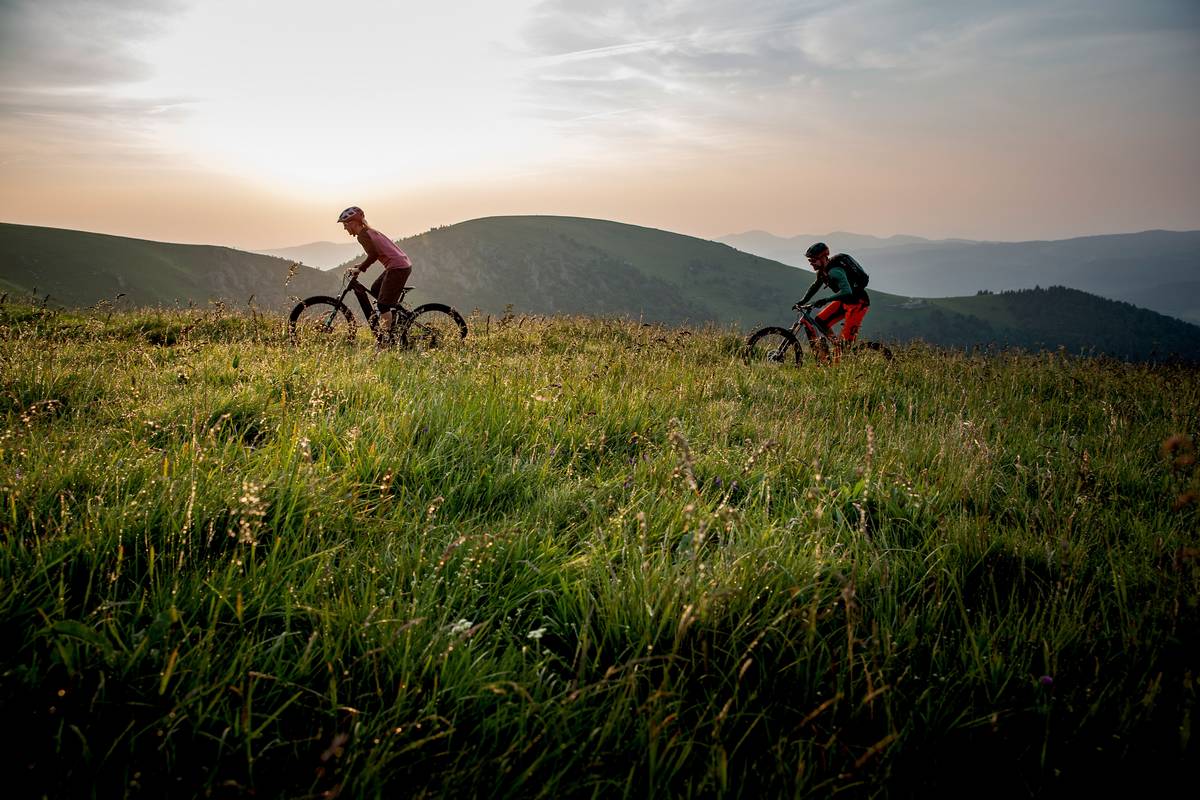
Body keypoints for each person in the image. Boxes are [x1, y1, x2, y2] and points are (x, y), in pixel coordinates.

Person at [337, 206, 413, 338]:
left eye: (345, 224)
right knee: (375, 289)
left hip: (397, 268)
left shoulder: (363, 235)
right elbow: (374, 254)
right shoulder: (368, 231)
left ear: (353, 223)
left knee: (383, 305)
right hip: (400, 265)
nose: (344, 228)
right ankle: (395, 320)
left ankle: (387, 340)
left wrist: (360, 268)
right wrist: (360, 265)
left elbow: (373, 255)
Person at [795, 242, 870, 345]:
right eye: (809, 260)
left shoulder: (834, 271)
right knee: (820, 321)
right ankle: (836, 343)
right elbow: (815, 286)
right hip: (845, 301)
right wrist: (802, 301)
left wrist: (825, 300)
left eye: (813, 260)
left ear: (823, 258)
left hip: (858, 303)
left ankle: (843, 350)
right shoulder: (822, 272)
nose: (810, 263)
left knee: (846, 344)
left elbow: (847, 291)